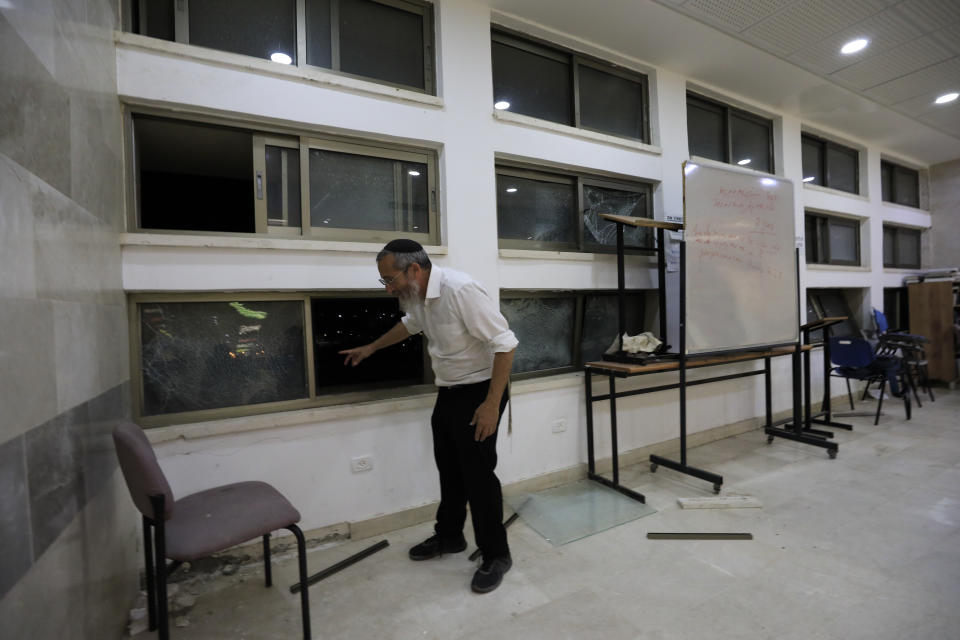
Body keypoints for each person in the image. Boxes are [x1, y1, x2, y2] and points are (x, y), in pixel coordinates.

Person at [339, 239, 518, 594]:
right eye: (384, 282)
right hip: (449, 392)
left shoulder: (460, 290)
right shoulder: (418, 296)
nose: (389, 289)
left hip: (480, 393)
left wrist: (491, 405)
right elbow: (410, 325)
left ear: (415, 270)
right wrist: (371, 347)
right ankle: (450, 537)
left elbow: (506, 343)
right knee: (450, 470)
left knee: (479, 478)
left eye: (391, 280)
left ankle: (497, 554)